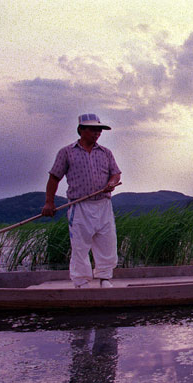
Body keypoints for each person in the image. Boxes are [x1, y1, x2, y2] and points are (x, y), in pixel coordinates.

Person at [42, 113, 121, 288]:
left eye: (99, 130)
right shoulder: (67, 152)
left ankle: (104, 278)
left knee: (107, 242)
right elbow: (54, 178)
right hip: (79, 205)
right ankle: (81, 281)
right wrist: (49, 202)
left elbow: (116, 173)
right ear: (81, 130)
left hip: (103, 204)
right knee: (80, 245)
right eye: (93, 129)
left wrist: (111, 183)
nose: (97, 133)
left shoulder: (106, 153)